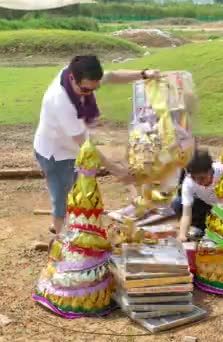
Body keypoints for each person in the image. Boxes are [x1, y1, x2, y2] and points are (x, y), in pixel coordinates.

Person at [33, 55, 160, 246]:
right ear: (73, 79)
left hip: (72, 149)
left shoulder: (76, 76)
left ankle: (62, 223)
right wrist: (115, 169)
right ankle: (61, 241)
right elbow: (85, 145)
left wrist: (143, 74)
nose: (89, 93)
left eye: (94, 88)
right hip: (56, 153)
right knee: (62, 196)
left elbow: (114, 76)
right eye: (85, 89)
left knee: (77, 189)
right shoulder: (60, 101)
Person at [171, 149, 223, 242]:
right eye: (193, 177)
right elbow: (186, 214)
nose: (197, 182)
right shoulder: (189, 182)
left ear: (210, 170)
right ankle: (202, 229)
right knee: (178, 203)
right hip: (208, 207)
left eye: (201, 178)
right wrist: (182, 234)